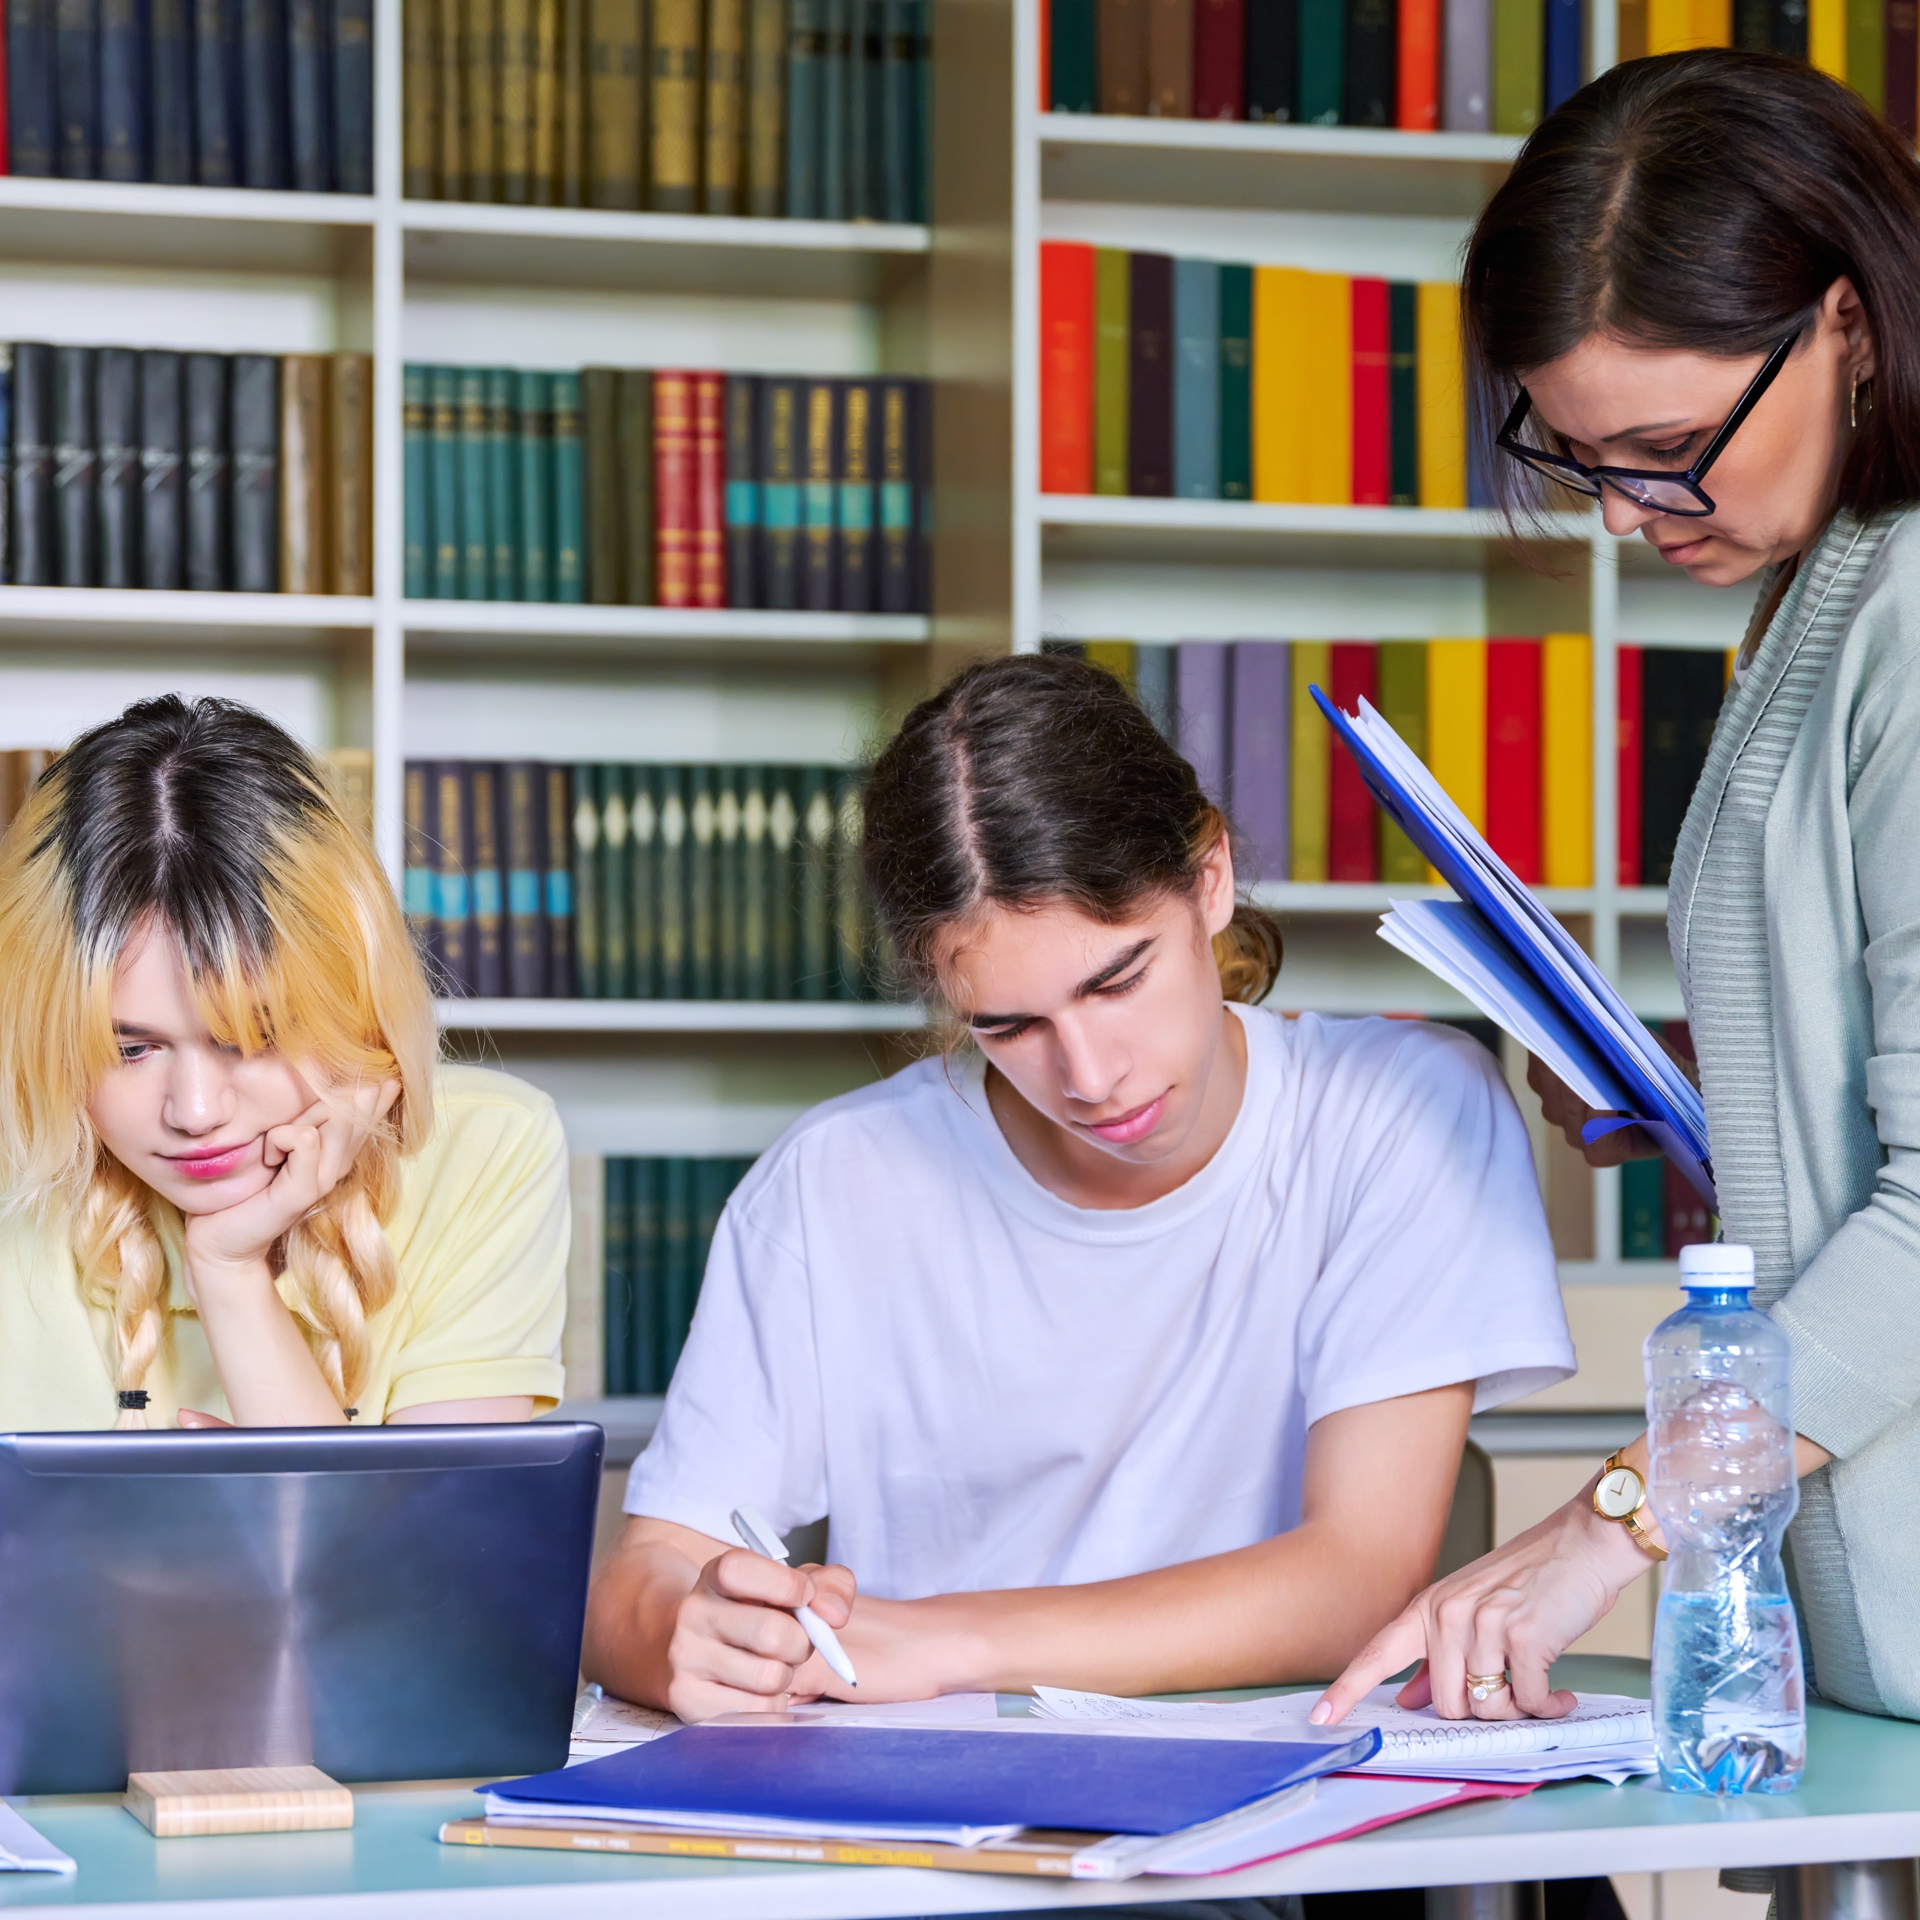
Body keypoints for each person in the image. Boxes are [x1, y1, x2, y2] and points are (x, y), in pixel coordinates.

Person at [582, 650, 1574, 1720]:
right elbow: (646, 1579)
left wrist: (942, 1640)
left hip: (1275, 1817)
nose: (1092, 1079)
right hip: (932, 1829)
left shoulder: (1399, 1112)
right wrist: (687, 1638)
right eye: (1008, 1026)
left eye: (1119, 980)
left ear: (1211, 879)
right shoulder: (834, 1181)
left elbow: (1354, 1578)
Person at [1317, 47, 1920, 1732]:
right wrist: (1704, 1110)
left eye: (1670, 446)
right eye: (1586, 457)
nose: (1639, 513)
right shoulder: (1822, 589)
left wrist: (1615, 1519)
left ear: (1850, 321)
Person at [0, 695, 568, 1430]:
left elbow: (432, 1547)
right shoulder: (21, 1168)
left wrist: (230, 1275)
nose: (195, 1113)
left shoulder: (487, 1148)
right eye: (129, 1049)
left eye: (252, 1037)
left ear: (353, 996)